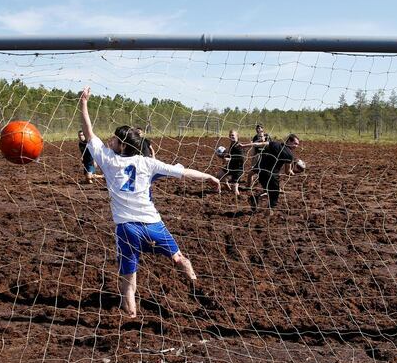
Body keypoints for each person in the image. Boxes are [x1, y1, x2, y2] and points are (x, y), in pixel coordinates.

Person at [79, 86, 220, 318]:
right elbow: (183, 172)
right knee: (179, 258)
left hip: (127, 228)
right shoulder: (147, 163)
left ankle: (131, 314)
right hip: (154, 224)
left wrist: (83, 103)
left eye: (114, 139)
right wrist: (209, 176)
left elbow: (89, 131)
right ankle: (197, 286)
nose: (110, 140)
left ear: (122, 145)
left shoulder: (107, 159)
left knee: (129, 277)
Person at [242, 133, 300, 215]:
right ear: (289, 141)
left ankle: (255, 198)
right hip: (272, 176)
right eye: (295, 143)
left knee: (268, 192)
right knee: (274, 197)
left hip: (261, 173)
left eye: (297, 144)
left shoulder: (275, 144)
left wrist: (245, 145)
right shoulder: (289, 155)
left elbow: (259, 144)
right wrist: (296, 172)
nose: (296, 146)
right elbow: (288, 172)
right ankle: (268, 214)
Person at [216, 129, 245, 196]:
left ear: (237, 136)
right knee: (219, 175)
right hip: (231, 166)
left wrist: (229, 159)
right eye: (230, 135)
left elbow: (241, 158)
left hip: (238, 169)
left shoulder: (239, 146)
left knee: (235, 189)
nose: (231, 136)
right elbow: (231, 155)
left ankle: (238, 198)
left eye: (233, 135)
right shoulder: (232, 145)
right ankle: (228, 189)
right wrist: (224, 156)